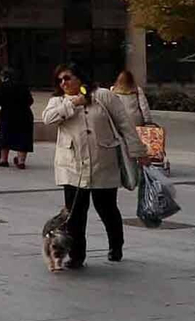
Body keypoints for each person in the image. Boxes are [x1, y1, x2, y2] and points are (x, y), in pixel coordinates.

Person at [44, 63, 146, 268]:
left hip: (103, 161)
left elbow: (125, 124)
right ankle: (76, 255)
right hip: (72, 166)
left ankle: (115, 246)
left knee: (107, 208)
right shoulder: (58, 101)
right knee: (75, 214)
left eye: (68, 78)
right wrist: (73, 103)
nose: (64, 83)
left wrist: (138, 152)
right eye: (60, 80)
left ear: (80, 78)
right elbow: (48, 119)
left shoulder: (103, 96)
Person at [0, 67, 34, 169]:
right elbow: (30, 101)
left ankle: (3, 160)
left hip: (8, 115)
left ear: (4, 77)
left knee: (5, 137)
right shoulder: (22, 86)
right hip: (24, 115)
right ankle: (21, 161)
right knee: (22, 138)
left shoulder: (3, 86)